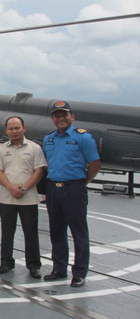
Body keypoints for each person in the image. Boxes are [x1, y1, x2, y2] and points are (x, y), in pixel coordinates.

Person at [42, 101, 100, 287]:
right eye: (57, 116)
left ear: (72, 117)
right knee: (56, 231)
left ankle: (80, 272)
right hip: (53, 189)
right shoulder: (48, 139)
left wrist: (82, 182)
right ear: (53, 119)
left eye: (64, 115)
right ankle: (59, 269)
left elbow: (95, 163)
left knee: (78, 232)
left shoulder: (83, 138)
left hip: (74, 189)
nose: (60, 119)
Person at [0, 117, 46, 279]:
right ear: (6, 131)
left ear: (24, 128)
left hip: (28, 197)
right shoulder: (1, 149)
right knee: (7, 232)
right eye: (11, 129)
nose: (14, 131)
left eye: (17, 128)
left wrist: (24, 188)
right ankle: (6, 262)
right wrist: (10, 187)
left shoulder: (34, 148)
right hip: (8, 197)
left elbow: (39, 170)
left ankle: (34, 265)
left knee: (31, 232)